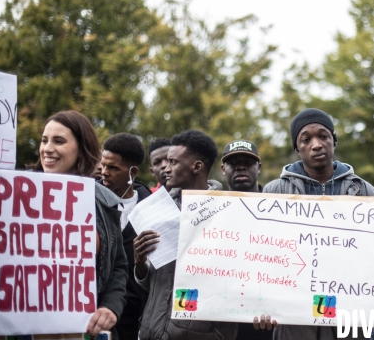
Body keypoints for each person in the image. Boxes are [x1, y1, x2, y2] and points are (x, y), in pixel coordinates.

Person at [263, 108, 374, 340]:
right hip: (293, 314)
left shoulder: (366, 192)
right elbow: (263, 253)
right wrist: (262, 302)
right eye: (306, 139)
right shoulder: (274, 192)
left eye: (323, 136)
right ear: (297, 149)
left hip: (352, 313)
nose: (316, 144)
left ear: (334, 140)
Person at [32, 110, 127, 339]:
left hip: (82, 329)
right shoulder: (16, 196)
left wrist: (110, 307)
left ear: (82, 149)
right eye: (44, 140)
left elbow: (118, 266)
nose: (47, 149)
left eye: (59, 141)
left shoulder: (103, 203)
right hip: (27, 327)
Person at [133, 129, 235, 340]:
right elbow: (150, 283)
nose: (165, 168)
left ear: (197, 167)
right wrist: (140, 262)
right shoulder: (156, 210)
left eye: (173, 162)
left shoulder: (229, 212)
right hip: (152, 331)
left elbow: (239, 281)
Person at [100, 133, 152, 340]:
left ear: (133, 171)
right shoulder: (87, 198)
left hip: (132, 319)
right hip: (92, 313)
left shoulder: (152, 209)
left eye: (113, 168)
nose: (104, 172)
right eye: (103, 165)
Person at [221, 139, 275, 339]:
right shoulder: (208, 212)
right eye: (233, 163)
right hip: (220, 318)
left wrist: (275, 305)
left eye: (248, 162)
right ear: (223, 169)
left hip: (267, 320)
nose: (241, 166)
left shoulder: (279, 210)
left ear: (259, 167)